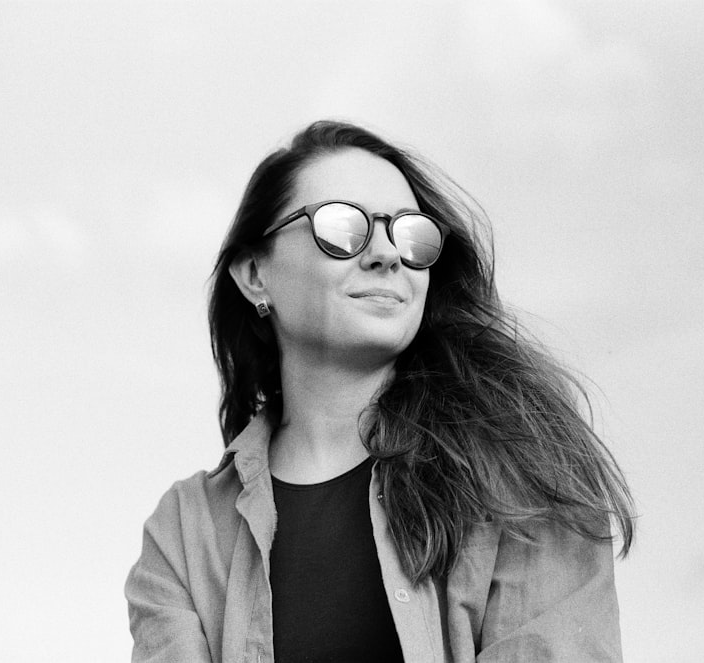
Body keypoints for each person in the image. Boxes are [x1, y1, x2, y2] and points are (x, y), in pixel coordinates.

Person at [125, 120, 636, 663]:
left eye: (409, 233)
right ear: (254, 273)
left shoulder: (524, 473)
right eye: (344, 228)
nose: (387, 254)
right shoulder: (183, 532)